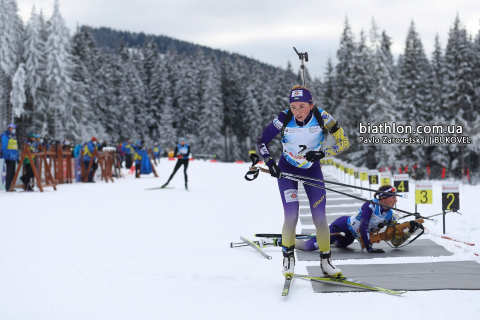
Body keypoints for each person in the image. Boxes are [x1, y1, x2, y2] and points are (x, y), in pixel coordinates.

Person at [256, 85, 349, 278]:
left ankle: (326, 262)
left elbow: (344, 142)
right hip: (287, 170)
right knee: (291, 215)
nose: (297, 112)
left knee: (320, 218)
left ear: (311, 104)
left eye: (302, 106)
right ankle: (288, 259)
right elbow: (261, 141)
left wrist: (323, 153)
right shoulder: (283, 118)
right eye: (293, 107)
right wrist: (270, 163)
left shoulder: (323, 117)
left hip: (311, 171)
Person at [262, 185, 421, 253]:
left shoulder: (390, 214)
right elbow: (363, 227)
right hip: (342, 226)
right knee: (311, 247)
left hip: (349, 238)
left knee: (341, 243)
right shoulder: (370, 206)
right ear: (384, 198)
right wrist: (369, 248)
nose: (396, 201)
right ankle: (283, 241)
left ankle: (324, 237)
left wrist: (410, 228)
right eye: (393, 197)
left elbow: (394, 236)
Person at [1, 123, 19, 191]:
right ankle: (8, 187)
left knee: (12, 173)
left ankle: (11, 186)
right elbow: (4, 148)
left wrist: (17, 158)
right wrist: (6, 157)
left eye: (15, 129)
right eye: (13, 128)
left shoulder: (14, 136)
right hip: (9, 157)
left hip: (14, 157)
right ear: (9, 128)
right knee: (9, 173)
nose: (14, 130)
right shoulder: (5, 136)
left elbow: (15, 148)